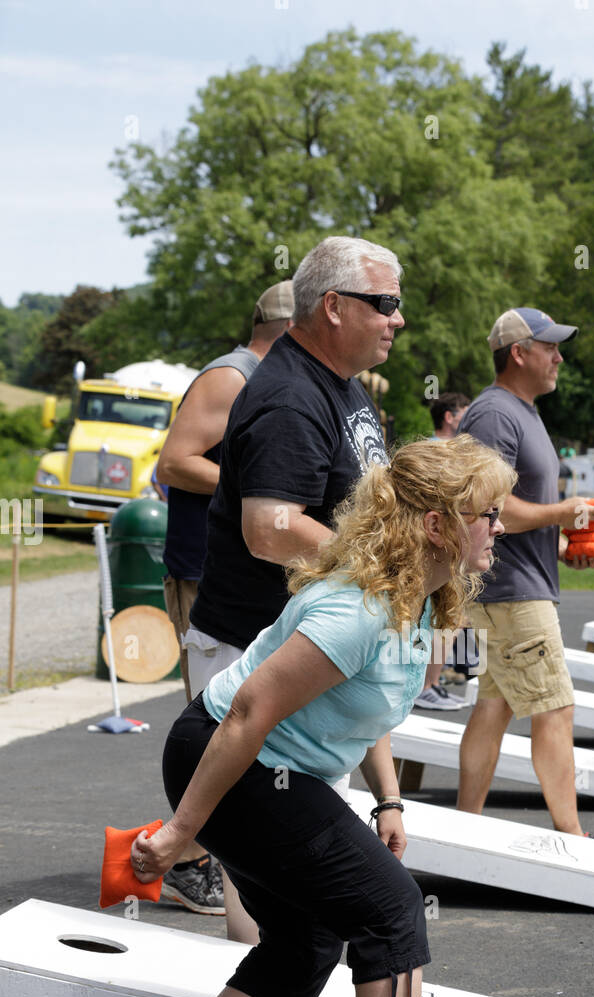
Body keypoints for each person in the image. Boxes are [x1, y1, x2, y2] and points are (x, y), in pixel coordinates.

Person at [131, 436, 513, 997]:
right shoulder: (358, 610)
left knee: (306, 940)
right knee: (392, 909)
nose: (499, 525)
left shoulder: (420, 602)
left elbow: (355, 709)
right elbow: (248, 713)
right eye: (485, 513)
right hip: (231, 757)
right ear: (436, 525)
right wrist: (184, 832)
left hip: (266, 767)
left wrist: (390, 801)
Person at [180, 236, 403, 941]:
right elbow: (268, 529)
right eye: (386, 304)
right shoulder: (288, 398)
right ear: (333, 308)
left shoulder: (344, 390)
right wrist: (383, 562)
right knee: (276, 892)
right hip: (256, 657)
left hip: (303, 657)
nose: (398, 319)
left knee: (298, 889)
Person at [154, 280, 293, 921]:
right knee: (211, 730)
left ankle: (199, 855)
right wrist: (260, 483)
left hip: (228, 573)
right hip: (200, 573)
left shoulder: (268, 382)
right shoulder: (233, 377)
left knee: (235, 736)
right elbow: (174, 462)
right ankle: (184, 862)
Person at [456, 307, 594, 837]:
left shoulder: (521, 410)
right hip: (511, 590)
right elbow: (486, 506)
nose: (559, 357)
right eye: (550, 347)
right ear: (518, 353)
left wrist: (563, 545)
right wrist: (564, 513)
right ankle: (572, 834)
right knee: (555, 708)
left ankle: (465, 827)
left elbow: (519, 511)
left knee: (494, 706)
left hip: (518, 584)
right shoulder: (494, 414)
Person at [415, 391, 474, 708]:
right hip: (443, 546)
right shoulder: (439, 453)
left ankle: (436, 681)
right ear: (449, 417)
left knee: (453, 617)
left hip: (454, 544)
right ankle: (427, 684)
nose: (471, 417)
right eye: (465, 411)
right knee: (445, 616)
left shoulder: (454, 451)